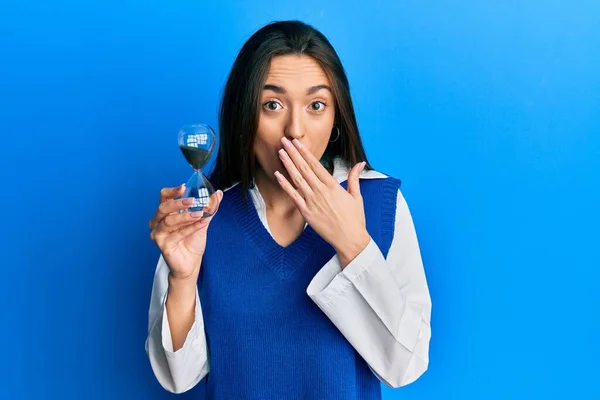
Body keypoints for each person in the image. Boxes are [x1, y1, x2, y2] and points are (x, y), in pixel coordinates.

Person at [145, 20, 432, 399]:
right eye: (272, 105)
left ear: (335, 121)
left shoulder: (381, 204)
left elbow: (405, 367)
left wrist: (354, 246)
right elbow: (179, 377)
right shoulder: (209, 215)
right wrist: (182, 279)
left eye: (316, 105)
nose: (295, 129)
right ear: (245, 118)